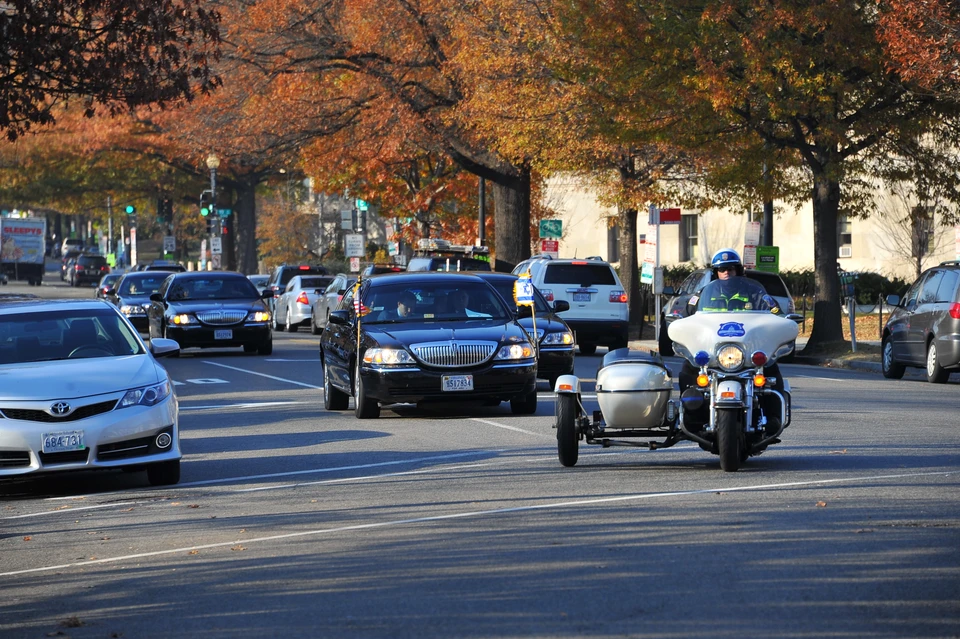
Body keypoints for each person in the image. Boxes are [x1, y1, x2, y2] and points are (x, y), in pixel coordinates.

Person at [678, 249, 785, 432]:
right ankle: (691, 416)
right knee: (687, 371)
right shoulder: (703, 293)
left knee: (771, 370)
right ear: (716, 273)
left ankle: (774, 417)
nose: (727, 272)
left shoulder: (754, 292)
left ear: (739, 270)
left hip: (746, 349)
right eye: (722, 269)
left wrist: (782, 321)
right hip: (713, 350)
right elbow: (687, 316)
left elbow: (775, 312)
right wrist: (681, 324)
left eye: (731, 268)